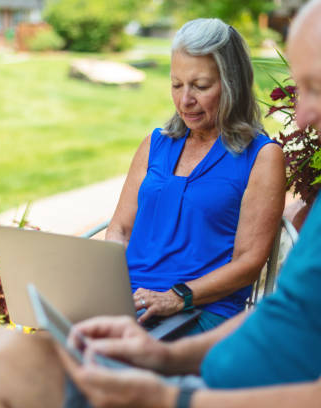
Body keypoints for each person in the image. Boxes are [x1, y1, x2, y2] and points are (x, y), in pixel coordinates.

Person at [0, 0, 321, 407]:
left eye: (317, 87)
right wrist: (160, 362)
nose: (304, 117)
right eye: (177, 85)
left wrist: (168, 395)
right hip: (179, 360)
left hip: (205, 375)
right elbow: (282, 312)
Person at [104, 18, 285, 334]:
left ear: (232, 84)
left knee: (94, 365)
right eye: (176, 84)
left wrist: (178, 297)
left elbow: (248, 262)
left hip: (200, 312)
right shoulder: (155, 145)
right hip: (130, 304)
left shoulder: (262, 156)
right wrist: (106, 288)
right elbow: (119, 229)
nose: (184, 100)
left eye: (200, 86)